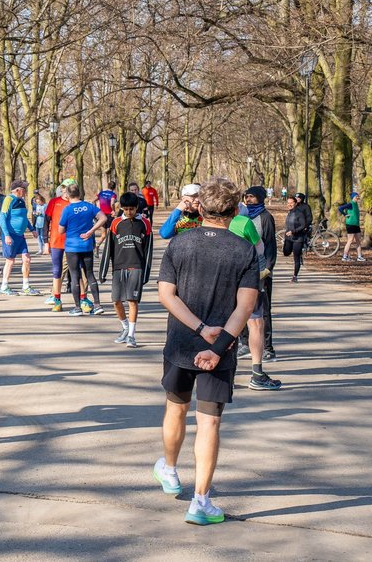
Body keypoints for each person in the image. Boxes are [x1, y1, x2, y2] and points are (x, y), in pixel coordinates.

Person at [154, 177, 259, 526]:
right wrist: (216, 345)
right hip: (221, 348)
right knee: (209, 421)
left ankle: (170, 470)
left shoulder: (180, 244)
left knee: (176, 408)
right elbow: (245, 307)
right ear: (236, 210)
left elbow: (166, 295)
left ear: (200, 207)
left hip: (181, 344)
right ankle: (200, 501)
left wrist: (199, 328)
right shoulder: (244, 250)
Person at [227, 207, 281, 391]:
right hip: (247, 278)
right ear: (235, 208)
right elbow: (260, 249)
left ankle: (227, 376)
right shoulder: (243, 222)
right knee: (255, 323)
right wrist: (262, 271)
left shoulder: (204, 223)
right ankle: (257, 374)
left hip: (220, 280)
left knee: (225, 324)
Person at [98, 192, 152, 347]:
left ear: (137, 207)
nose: (129, 212)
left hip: (136, 266)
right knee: (116, 301)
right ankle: (125, 327)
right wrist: (103, 270)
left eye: (132, 209)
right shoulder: (115, 223)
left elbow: (148, 249)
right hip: (118, 267)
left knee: (132, 301)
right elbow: (109, 248)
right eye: (126, 209)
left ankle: (131, 336)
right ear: (121, 208)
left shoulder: (145, 223)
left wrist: (146, 273)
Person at [241, 186, 279, 365]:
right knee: (242, 308)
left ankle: (268, 348)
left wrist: (268, 268)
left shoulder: (265, 217)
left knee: (263, 311)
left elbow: (270, 245)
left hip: (262, 269)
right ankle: (245, 343)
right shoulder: (242, 216)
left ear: (261, 198)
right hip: (244, 269)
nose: (248, 200)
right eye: (246, 197)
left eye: (252, 197)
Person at [59, 183, 108, 316]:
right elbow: (103, 218)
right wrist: (91, 231)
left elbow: (60, 230)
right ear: (80, 193)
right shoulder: (89, 206)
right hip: (86, 245)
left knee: (75, 275)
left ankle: (77, 308)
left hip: (72, 246)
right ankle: (97, 305)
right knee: (90, 274)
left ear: (68, 195)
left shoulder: (67, 210)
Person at [0, 181, 41, 296]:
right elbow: (2, 218)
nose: (25, 191)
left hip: (20, 236)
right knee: (10, 261)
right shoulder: (8, 199)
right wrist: (6, 235)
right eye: (24, 189)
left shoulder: (21, 201)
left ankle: (26, 286)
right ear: (17, 190)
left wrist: (32, 229)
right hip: (10, 235)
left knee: (27, 259)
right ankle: (4, 286)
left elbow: (24, 218)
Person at [42, 181, 73, 311]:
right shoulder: (54, 202)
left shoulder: (76, 203)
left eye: (68, 189)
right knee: (57, 270)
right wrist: (45, 242)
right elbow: (46, 222)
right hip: (56, 241)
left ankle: (82, 299)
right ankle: (56, 298)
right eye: (63, 189)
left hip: (73, 242)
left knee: (78, 271)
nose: (65, 191)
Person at [283, 196, 308, 281]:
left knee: (296, 257)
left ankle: (295, 276)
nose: (289, 204)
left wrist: (293, 231)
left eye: (291, 203)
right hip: (289, 237)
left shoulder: (299, 213)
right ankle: (299, 254)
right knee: (286, 253)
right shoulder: (289, 212)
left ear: (296, 203)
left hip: (298, 238)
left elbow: (303, 225)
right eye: (288, 203)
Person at [339, 192, 365, 262]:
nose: (358, 198)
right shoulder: (350, 204)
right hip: (350, 224)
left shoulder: (356, 204)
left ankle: (359, 257)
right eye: (356, 196)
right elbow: (340, 208)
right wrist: (345, 214)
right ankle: (344, 257)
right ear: (353, 197)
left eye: (358, 196)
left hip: (356, 225)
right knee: (350, 240)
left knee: (358, 240)